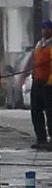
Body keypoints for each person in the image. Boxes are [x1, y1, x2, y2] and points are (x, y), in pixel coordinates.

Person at [30, 20, 52, 150]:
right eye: (44, 28)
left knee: (50, 112)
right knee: (36, 111)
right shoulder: (39, 45)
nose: (46, 30)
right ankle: (41, 139)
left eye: (48, 28)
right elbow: (34, 62)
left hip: (49, 83)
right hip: (37, 81)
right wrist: (33, 77)